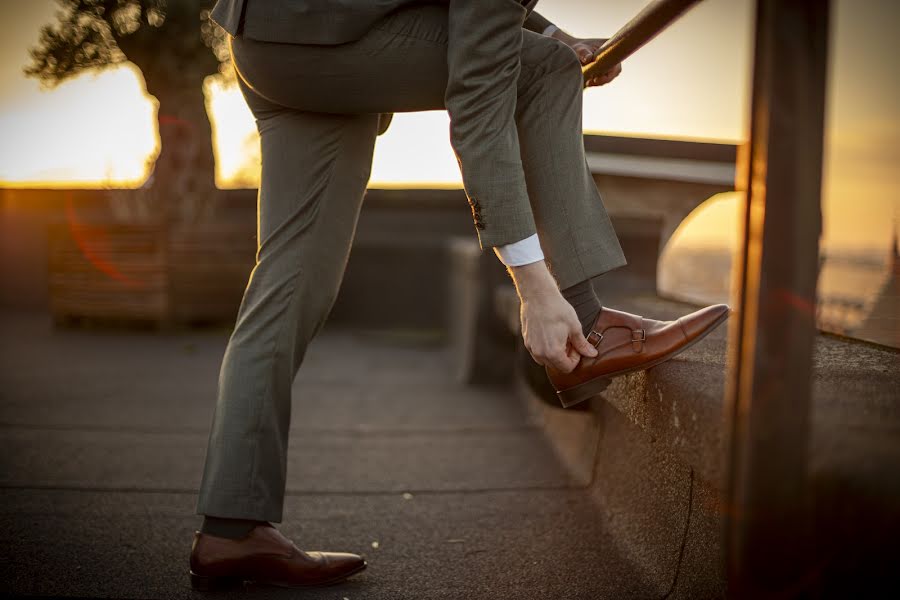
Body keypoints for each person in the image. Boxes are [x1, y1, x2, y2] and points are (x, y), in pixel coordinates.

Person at [189, 0, 729, 590]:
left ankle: (231, 527)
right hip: (324, 41)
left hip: (267, 39)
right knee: (544, 69)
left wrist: (548, 29)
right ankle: (588, 320)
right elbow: (477, 103)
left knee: (289, 288)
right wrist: (536, 289)